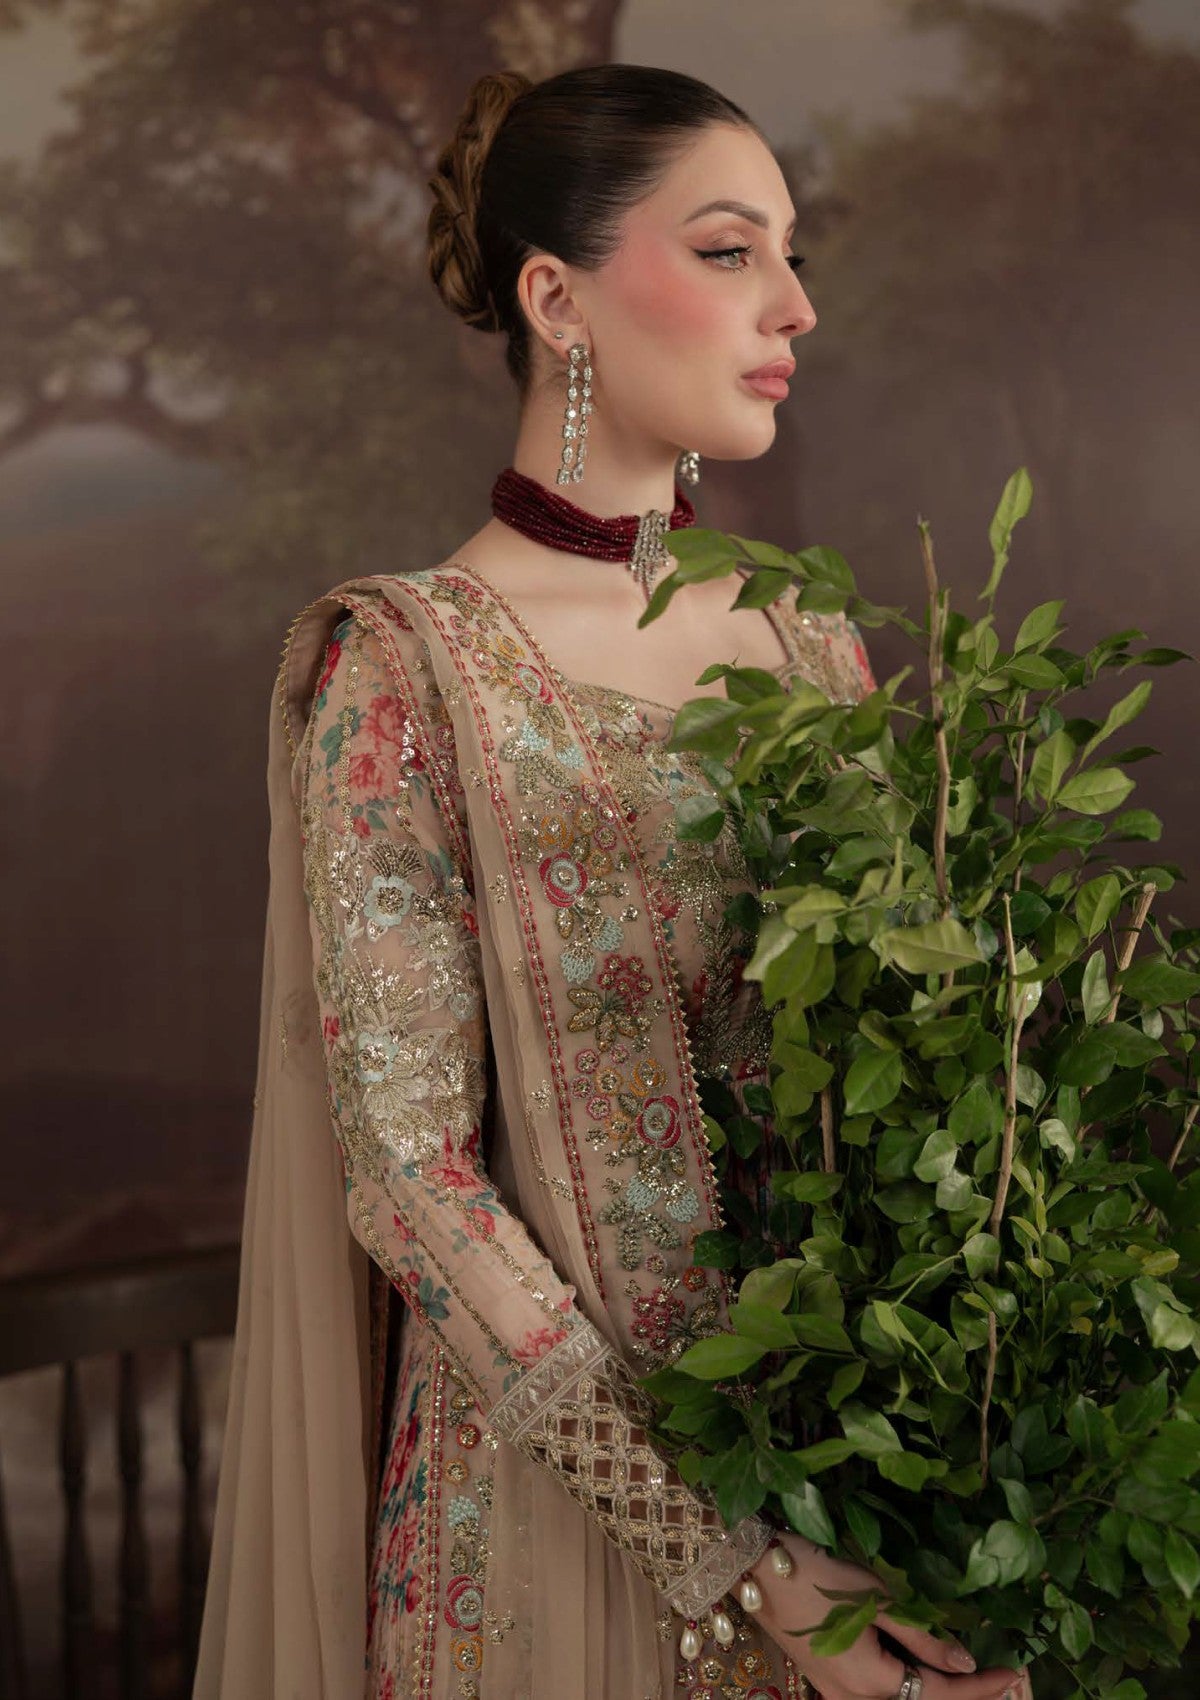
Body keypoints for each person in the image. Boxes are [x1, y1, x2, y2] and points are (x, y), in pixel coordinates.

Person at [193, 63, 1033, 1700]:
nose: (792, 304)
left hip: (850, 1499)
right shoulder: (407, 671)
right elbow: (412, 1180)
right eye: (728, 251)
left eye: (790, 251)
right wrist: (732, 1556)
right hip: (543, 1538)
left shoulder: (816, 648)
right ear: (556, 299)